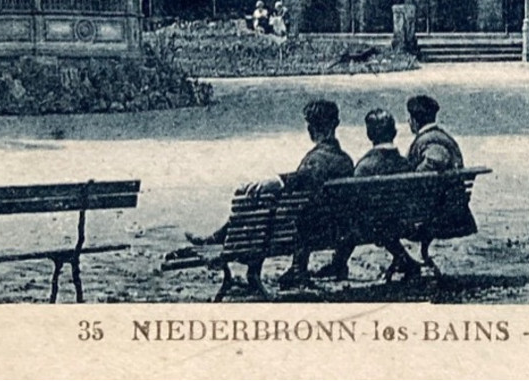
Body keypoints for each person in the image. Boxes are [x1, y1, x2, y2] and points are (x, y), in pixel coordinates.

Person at [184, 99, 353, 247]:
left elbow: (305, 177)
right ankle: (218, 237)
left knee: (253, 199)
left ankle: (220, 241)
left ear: (311, 128)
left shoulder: (316, 160)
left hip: (306, 230)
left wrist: (279, 181)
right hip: (336, 229)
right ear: (335, 125)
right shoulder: (346, 161)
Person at [317, 108, 424, 282]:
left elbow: (352, 202)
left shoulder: (365, 167)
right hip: (404, 222)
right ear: (394, 132)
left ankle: (339, 263)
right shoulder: (405, 164)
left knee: (350, 218)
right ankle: (404, 260)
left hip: (371, 227)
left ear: (369, 134)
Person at [405, 94, 477, 270]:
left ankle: (406, 261)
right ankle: (416, 257)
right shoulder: (445, 137)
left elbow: (435, 160)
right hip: (453, 210)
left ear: (414, 120)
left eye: (409, 118)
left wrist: (413, 177)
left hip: (437, 214)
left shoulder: (431, 140)